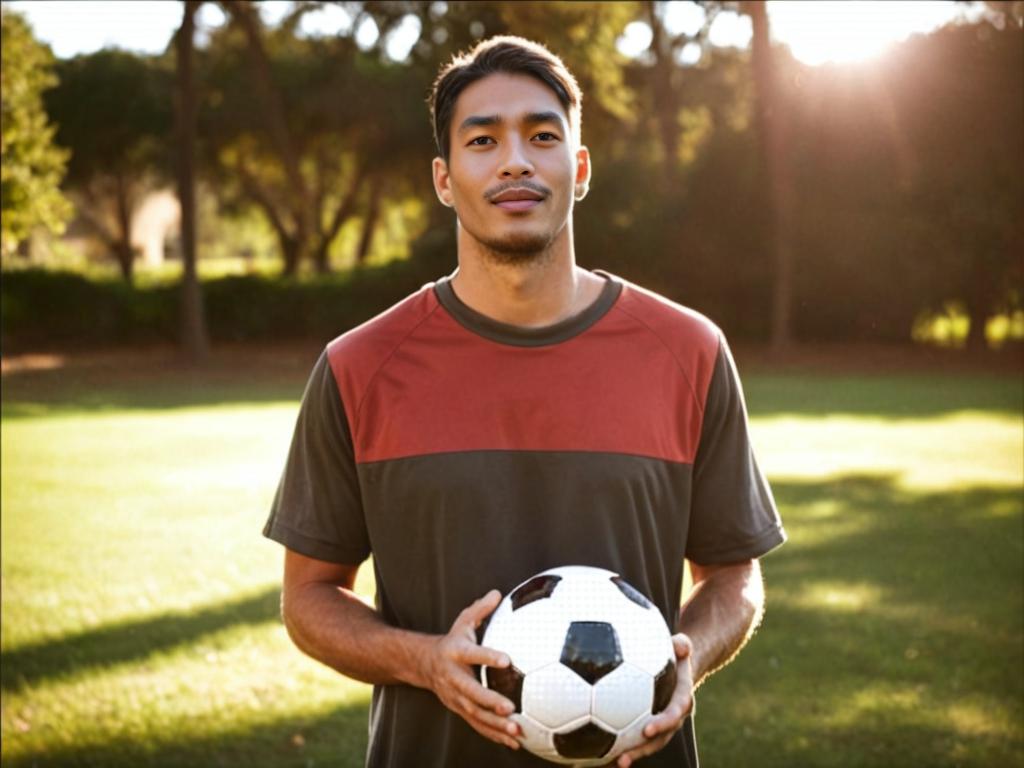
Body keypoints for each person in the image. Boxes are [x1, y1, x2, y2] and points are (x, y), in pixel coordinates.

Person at [263, 35, 785, 768]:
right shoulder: (360, 367)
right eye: (483, 140)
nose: (515, 159)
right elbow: (309, 599)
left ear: (578, 168)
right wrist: (424, 661)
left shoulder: (689, 351)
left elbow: (733, 574)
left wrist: (683, 659)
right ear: (444, 179)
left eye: (542, 136)